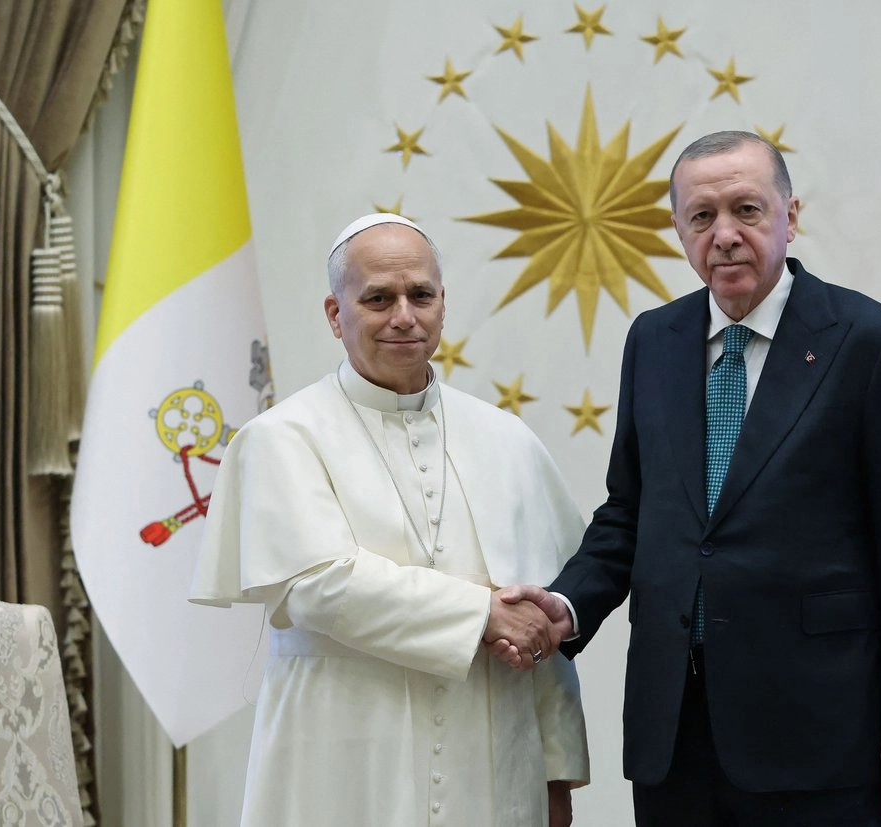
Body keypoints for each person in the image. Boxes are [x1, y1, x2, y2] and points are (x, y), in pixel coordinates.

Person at [498, 131, 881, 826]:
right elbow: (629, 512)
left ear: (790, 216)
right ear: (679, 229)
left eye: (747, 210)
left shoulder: (870, 342)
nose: (726, 235)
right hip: (675, 728)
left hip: (818, 732)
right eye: (702, 217)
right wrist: (567, 605)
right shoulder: (653, 339)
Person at [190, 214, 589, 827]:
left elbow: (542, 626)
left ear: (441, 304)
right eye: (378, 298)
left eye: (420, 295)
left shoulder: (509, 442)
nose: (403, 315)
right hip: (342, 761)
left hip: (495, 767)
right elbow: (317, 585)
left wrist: (559, 772)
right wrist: (482, 611)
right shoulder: (282, 439)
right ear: (334, 313)